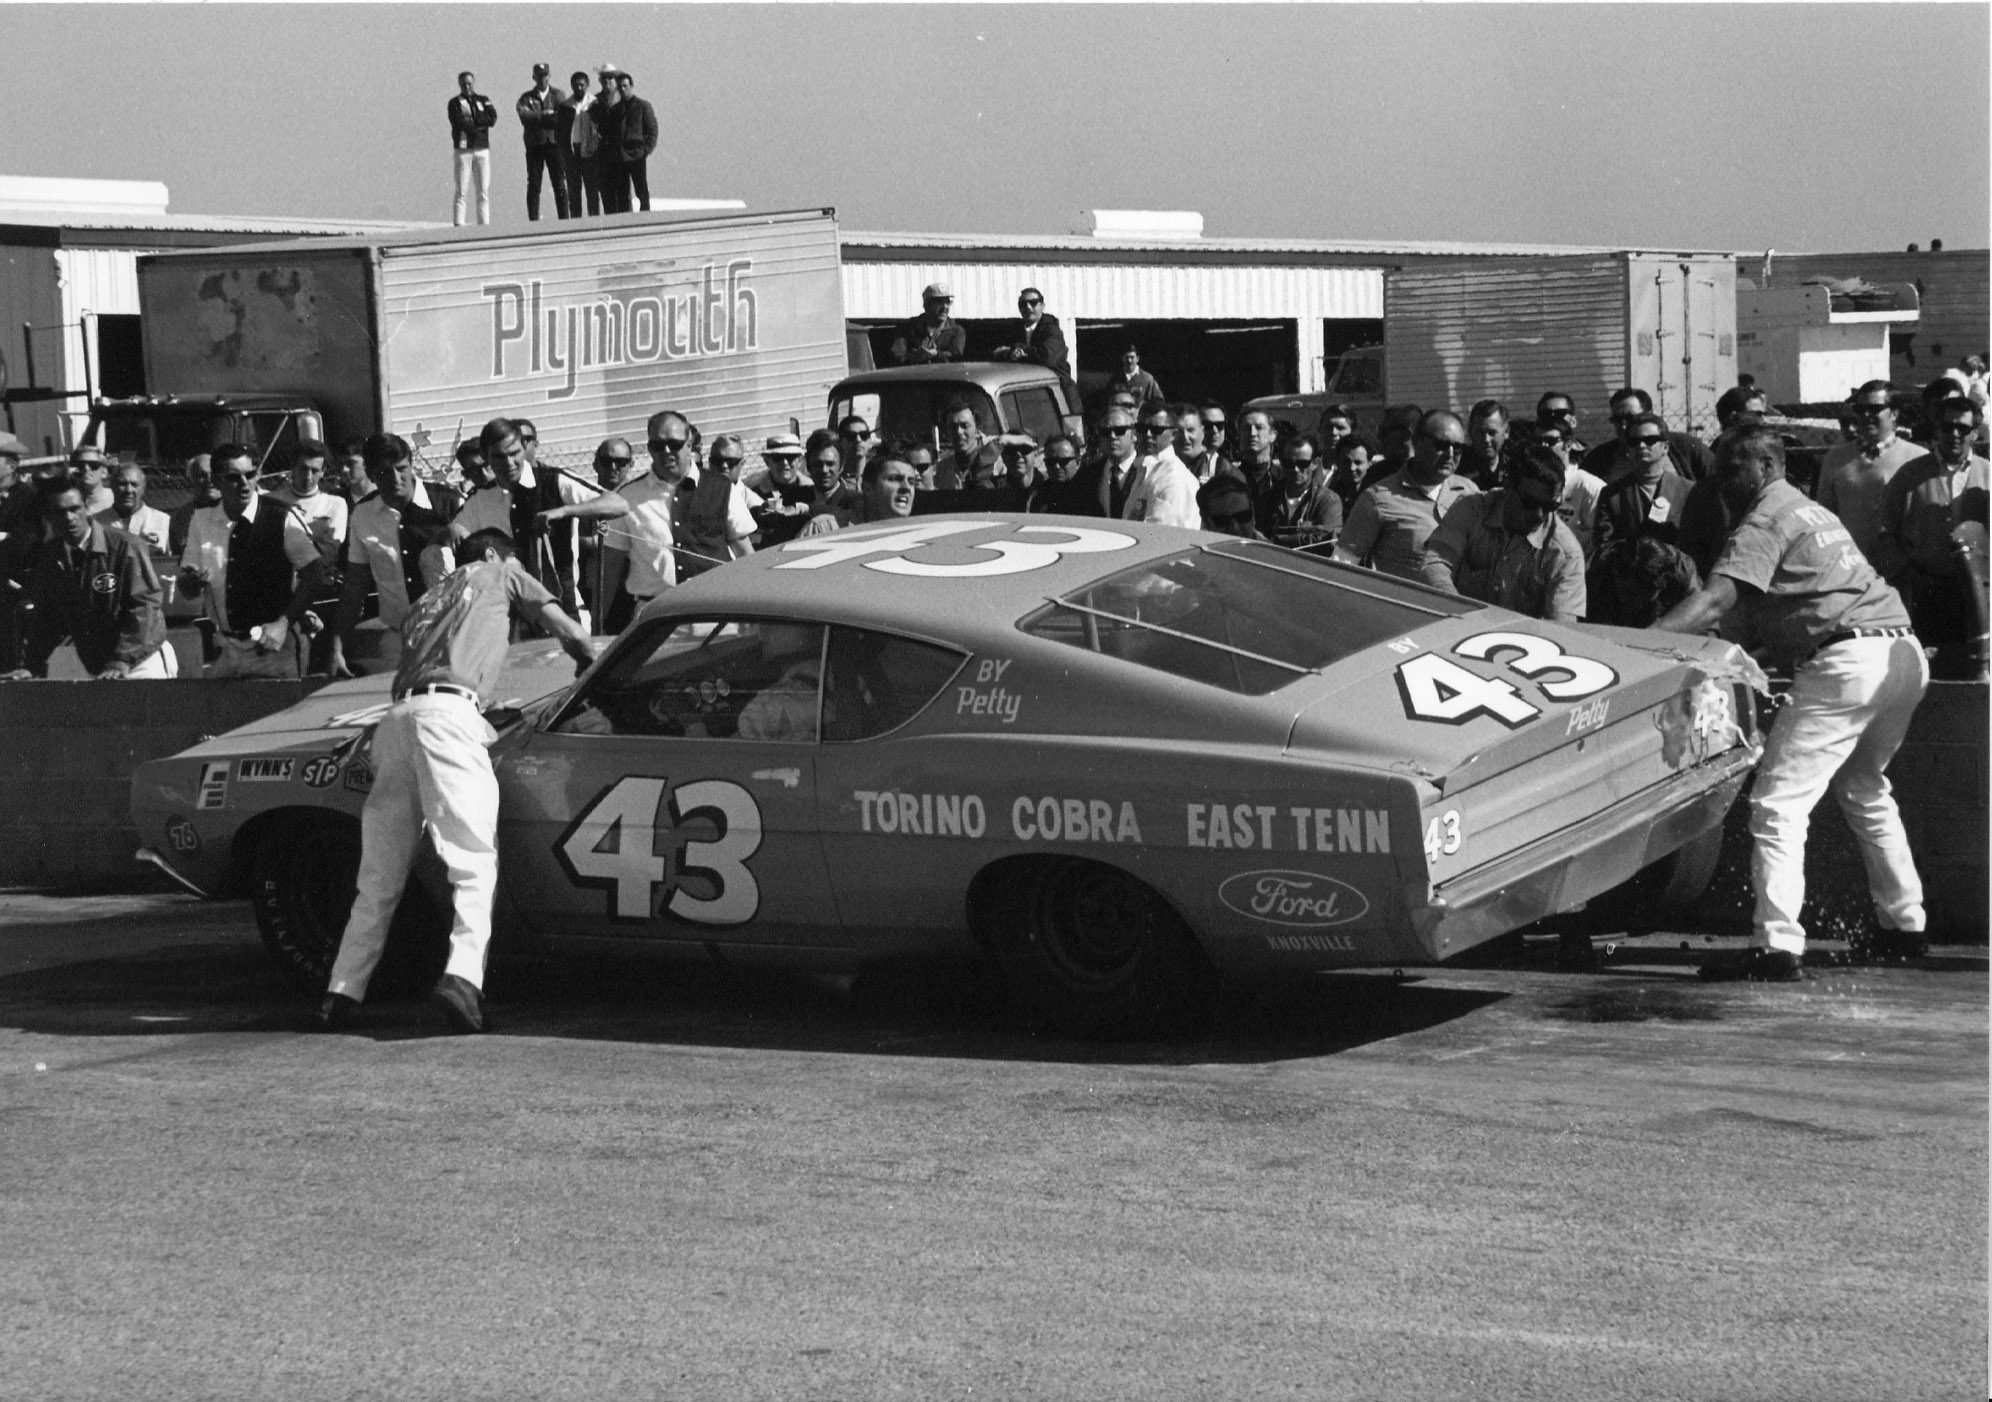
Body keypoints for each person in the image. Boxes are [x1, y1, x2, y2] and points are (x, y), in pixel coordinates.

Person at [1656, 424, 1929, 981]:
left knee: (1777, 804)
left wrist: (1637, 649)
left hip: (1847, 663)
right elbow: (1759, 617)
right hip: (1900, 653)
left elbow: (1712, 606)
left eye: (1732, 470)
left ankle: (1777, 944)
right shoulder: (1811, 512)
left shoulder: (1763, 520)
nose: (1722, 482)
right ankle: (1905, 924)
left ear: (1764, 467)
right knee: (1865, 787)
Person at [319, 526, 598, 1035]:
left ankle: (341, 990)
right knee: (473, 862)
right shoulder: (501, 572)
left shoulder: (429, 600)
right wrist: (591, 668)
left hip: (397, 719)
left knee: (379, 875)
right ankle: (462, 982)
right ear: (494, 554)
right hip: (448, 717)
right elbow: (573, 633)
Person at [176, 444, 325, 679]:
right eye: (233, 477)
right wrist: (191, 581)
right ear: (217, 480)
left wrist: (284, 623)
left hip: (275, 651)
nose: (244, 483)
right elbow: (186, 589)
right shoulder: (201, 521)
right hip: (227, 648)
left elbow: (315, 573)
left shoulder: (281, 515)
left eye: (250, 475)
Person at [452, 417, 626, 614]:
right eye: (500, 457)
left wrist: (564, 511)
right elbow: (452, 533)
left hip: (564, 610)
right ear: (487, 457)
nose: (509, 463)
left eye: (514, 453)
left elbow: (618, 505)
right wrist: (454, 530)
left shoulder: (553, 480)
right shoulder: (480, 498)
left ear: (524, 447)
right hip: (510, 615)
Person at [3, 480, 172, 680]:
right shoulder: (50, 556)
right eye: (59, 512)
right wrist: (32, 666)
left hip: (141, 661)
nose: (69, 518)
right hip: (97, 666)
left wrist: (123, 659)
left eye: (75, 509)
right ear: (48, 517)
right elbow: (46, 618)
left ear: (87, 509)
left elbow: (145, 606)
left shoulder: (124, 547)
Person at [1873, 394, 1990, 678]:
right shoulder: (1910, 475)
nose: (1953, 434)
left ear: (1975, 432)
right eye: (1947, 426)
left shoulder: (1988, 476)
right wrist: (1906, 573)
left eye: (1962, 428)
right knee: (1927, 673)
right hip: (1926, 593)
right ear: (1936, 429)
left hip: (1977, 598)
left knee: (1974, 673)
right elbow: (1885, 532)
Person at [328, 433, 463, 678]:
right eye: (384, 473)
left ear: (412, 465)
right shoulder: (363, 515)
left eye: (402, 469)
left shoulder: (449, 504)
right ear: (370, 474)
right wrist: (337, 647)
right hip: (399, 641)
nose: (396, 479)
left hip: (454, 636)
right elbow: (354, 585)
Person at [1420, 445, 1587, 622]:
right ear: (1507, 485)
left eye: (1549, 506)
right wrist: (1459, 614)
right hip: (1457, 628)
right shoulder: (1470, 509)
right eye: (1529, 503)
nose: (1539, 515)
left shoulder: (1566, 553)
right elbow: (1434, 565)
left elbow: (1561, 627)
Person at [1337, 410, 1480, 581]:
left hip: (1466, 606)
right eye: (1441, 446)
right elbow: (1342, 566)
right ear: (1417, 442)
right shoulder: (1377, 499)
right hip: (1407, 605)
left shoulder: (1470, 491)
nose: (1450, 454)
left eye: (1458, 448)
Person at [597, 410, 693, 633]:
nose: (666, 451)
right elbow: (611, 568)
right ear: (649, 448)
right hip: (655, 617)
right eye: (658, 445)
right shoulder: (627, 498)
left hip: (712, 614)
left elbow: (744, 552)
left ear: (689, 444)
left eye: (675, 444)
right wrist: (601, 624)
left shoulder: (720, 489)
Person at [1816, 380, 1925, 567]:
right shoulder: (1835, 459)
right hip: (1849, 569)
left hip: (1899, 572)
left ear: (1894, 414)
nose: (1866, 415)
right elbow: (1824, 520)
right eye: (1860, 409)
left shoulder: (1918, 459)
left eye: (1875, 409)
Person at [1590, 412, 1693, 559]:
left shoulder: (1688, 490)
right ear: (1627, 449)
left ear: (1665, 447)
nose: (1641, 446)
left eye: (1650, 440)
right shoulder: (1612, 494)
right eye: (1634, 441)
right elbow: (1603, 545)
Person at [1579, 387, 1714, 485]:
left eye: (1630, 417)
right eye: (1618, 419)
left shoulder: (1686, 448)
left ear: (1649, 415)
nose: (1624, 426)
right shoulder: (1598, 459)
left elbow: (1717, 482)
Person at [676, 433, 762, 578]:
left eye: (731, 462)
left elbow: (746, 553)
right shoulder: (691, 493)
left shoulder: (754, 500)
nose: (724, 466)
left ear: (743, 462)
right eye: (717, 460)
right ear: (709, 461)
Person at [267, 439, 349, 567]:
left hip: (317, 577)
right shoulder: (271, 501)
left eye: (314, 471)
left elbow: (330, 550)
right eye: (303, 469)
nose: (308, 477)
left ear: (323, 471)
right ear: (292, 467)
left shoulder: (335, 504)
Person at [1534, 419, 1605, 559]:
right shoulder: (1532, 483)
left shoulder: (1588, 485)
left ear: (1568, 445)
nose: (1543, 446)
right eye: (1538, 441)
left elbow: (1597, 537)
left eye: (1550, 441)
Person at [1123, 405, 1198, 528]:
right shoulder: (1144, 471)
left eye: (1156, 430)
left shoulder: (1173, 478)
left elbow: (1160, 534)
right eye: (1142, 428)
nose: (1148, 434)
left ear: (1173, 434)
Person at [1265, 434, 1342, 550]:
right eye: (1289, 463)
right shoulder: (1269, 497)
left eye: (1303, 464)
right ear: (1281, 462)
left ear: (1315, 463)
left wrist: (1277, 540)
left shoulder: (1328, 500)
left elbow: (1327, 540)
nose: (1295, 469)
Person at [994, 287, 1074, 395]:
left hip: (1059, 394)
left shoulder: (1052, 330)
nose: (1028, 307)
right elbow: (997, 353)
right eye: (1023, 304)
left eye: (1033, 303)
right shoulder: (1015, 330)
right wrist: (1012, 353)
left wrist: (1022, 350)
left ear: (1042, 306)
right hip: (1027, 390)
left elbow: (1047, 358)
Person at [516, 62, 569, 222]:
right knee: (534, 184)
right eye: (539, 76)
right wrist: (545, 115)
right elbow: (525, 117)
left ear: (549, 76)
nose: (542, 79)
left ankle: (564, 218)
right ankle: (533, 219)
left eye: (545, 76)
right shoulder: (526, 97)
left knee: (559, 183)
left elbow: (562, 117)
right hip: (535, 145)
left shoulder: (558, 95)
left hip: (554, 144)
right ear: (534, 77)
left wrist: (540, 117)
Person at [447, 71, 497, 226]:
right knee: (461, 190)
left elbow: (492, 118)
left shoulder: (483, 100)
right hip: (464, 150)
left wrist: (475, 121)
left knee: (483, 190)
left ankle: (483, 224)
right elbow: (459, 122)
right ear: (459, 85)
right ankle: (459, 224)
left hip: (482, 149)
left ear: (473, 83)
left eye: (469, 83)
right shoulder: (454, 103)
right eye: (463, 84)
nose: (466, 87)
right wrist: (478, 125)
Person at [748, 434, 815, 548]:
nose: (785, 463)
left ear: (799, 461)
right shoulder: (753, 494)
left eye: (790, 458)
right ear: (767, 461)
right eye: (778, 458)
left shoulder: (813, 490)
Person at [95, 461, 171, 554]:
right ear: (112, 486)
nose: (128, 490)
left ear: (143, 488)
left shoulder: (162, 520)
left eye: (134, 485)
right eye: (122, 484)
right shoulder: (97, 522)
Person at [609, 72, 658, 212]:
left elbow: (652, 130)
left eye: (625, 86)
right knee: (622, 192)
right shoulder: (615, 110)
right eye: (620, 87)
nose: (622, 90)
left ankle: (645, 218)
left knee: (641, 190)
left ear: (631, 86)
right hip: (620, 156)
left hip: (637, 154)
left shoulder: (643, 106)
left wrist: (646, 150)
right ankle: (625, 222)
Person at [888, 283, 967, 365]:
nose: (944, 307)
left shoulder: (956, 331)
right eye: (939, 302)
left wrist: (936, 355)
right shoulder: (908, 328)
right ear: (926, 305)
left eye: (947, 302)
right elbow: (897, 357)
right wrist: (916, 357)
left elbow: (957, 358)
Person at [932, 399, 1001, 490]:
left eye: (964, 426)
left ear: (977, 430)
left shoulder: (997, 463)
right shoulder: (941, 471)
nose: (959, 432)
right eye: (953, 427)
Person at [560, 69, 600, 218]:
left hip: (589, 151)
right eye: (576, 85)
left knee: (592, 190)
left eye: (582, 85)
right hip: (572, 151)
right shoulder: (565, 106)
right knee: (574, 190)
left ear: (587, 85)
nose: (579, 88)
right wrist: (565, 152)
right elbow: (560, 132)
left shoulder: (593, 103)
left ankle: (595, 221)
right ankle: (576, 222)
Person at [591, 66, 627, 213]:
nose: (607, 80)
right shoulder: (595, 101)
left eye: (610, 77)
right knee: (606, 193)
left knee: (623, 194)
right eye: (604, 77)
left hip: (621, 154)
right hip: (603, 154)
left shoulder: (625, 100)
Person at [167, 453, 220, 555]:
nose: (210, 480)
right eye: (202, 475)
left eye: (214, 474)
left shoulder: (236, 511)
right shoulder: (180, 517)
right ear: (191, 480)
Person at [1458, 399, 1517, 492]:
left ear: (1506, 432)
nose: (1486, 439)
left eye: (1492, 432)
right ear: (1470, 432)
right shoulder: (1457, 470)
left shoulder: (1515, 469)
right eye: (1480, 433)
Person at [1197, 474, 1266, 540]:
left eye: (1242, 517)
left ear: (1253, 512)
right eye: (1223, 520)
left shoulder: (1272, 550)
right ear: (1205, 521)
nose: (1235, 527)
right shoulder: (1190, 550)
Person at [1171, 403, 1221, 483]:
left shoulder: (1219, 468)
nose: (1185, 437)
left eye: (1190, 430)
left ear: (1202, 432)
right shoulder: (1162, 468)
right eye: (1179, 431)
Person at [1102, 345, 1162, 410]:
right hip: (1119, 416)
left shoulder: (1147, 379)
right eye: (1126, 357)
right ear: (1123, 359)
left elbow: (1158, 400)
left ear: (1137, 359)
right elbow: (1106, 401)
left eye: (1132, 357)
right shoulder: (1115, 379)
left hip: (1138, 418)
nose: (1129, 360)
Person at [1535, 391, 1587, 459]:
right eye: (1546, 414)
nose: (1552, 418)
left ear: (1573, 421)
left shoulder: (1590, 459)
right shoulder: (1526, 458)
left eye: (1560, 413)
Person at [70, 445, 114, 516]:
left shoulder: (116, 499)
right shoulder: (70, 501)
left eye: (93, 465)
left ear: (104, 472)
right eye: (81, 465)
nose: (86, 468)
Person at [331, 437, 373, 505]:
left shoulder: (387, 497)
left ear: (367, 462)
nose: (344, 470)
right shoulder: (335, 502)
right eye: (340, 464)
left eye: (350, 463)